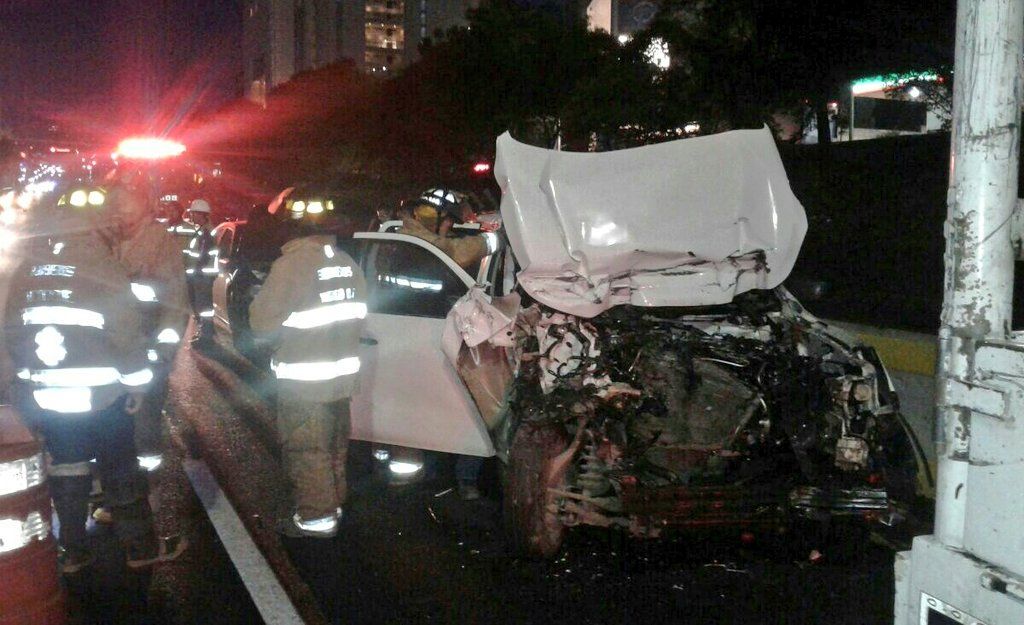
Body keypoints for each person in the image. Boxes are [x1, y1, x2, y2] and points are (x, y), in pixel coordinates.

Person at [2, 197, 184, 572]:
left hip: (49, 394)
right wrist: (136, 386)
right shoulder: (101, 267)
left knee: (67, 466)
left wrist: (23, 388)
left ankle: (72, 550)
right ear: (96, 228)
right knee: (120, 466)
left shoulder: (28, 269)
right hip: (102, 396)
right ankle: (140, 547)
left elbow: (13, 333)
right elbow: (126, 336)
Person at [250, 212, 367, 538]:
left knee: (307, 451)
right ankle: (334, 504)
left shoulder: (292, 265)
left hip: (304, 381)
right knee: (333, 448)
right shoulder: (346, 263)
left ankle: (316, 520)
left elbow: (261, 322)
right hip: (341, 378)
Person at [399, 188, 492, 500]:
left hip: (417, 338)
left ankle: (432, 472)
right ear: (430, 217)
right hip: (423, 340)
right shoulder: (417, 244)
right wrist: (492, 239)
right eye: (448, 220)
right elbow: (455, 253)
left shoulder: (404, 240)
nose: (450, 226)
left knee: (435, 408)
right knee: (463, 407)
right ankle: (458, 478)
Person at [109, 183, 189, 473]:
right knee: (111, 416)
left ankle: (147, 479)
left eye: (128, 202)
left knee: (145, 416)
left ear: (144, 205)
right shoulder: (105, 239)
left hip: (148, 343)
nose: (122, 209)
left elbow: (175, 300)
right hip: (112, 346)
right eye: (117, 202)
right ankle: (118, 478)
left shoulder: (159, 241)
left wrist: (164, 348)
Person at [183, 198, 216, 345]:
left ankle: (206, 337)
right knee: (203, 306)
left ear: (201, 214)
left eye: (193, 213)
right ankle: (207, 332)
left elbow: (203, 256)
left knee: (203, 307)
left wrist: (196, 271)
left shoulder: (206, 233)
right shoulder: (203, 230)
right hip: (202, 274)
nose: (191, 216)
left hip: (202, 275)